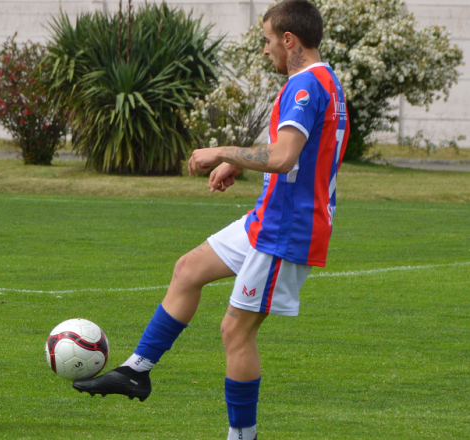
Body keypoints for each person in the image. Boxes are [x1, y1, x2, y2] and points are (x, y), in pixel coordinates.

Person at [72, 1, 348, 439]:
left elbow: (283, 157)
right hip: (269, 216)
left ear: (289, 40)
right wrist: (239, 162)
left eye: (268, 41)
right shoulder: (323, 81)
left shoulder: (305, 86)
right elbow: (297, 152)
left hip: (287, 228)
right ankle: (136, 371)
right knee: (188, 269)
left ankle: (242, 436)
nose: (265, 50)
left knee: (235, 332)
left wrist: (220, 151)